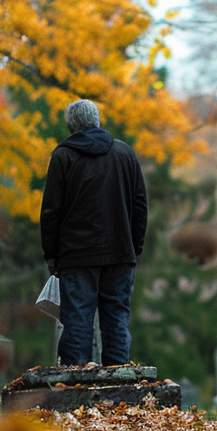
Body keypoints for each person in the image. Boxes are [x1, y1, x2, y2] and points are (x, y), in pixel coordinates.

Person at [40, 99, 148, 366]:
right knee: (116, 319)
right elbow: (140, 205)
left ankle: (75, 386)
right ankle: (118, 382)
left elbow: (51, 211)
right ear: (98, 120)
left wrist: (52, 256)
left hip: (76, 255)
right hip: (120, 252)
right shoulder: (125, 154)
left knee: (77, 320)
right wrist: (134, 248)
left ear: (71, 126)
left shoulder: (63, 157)